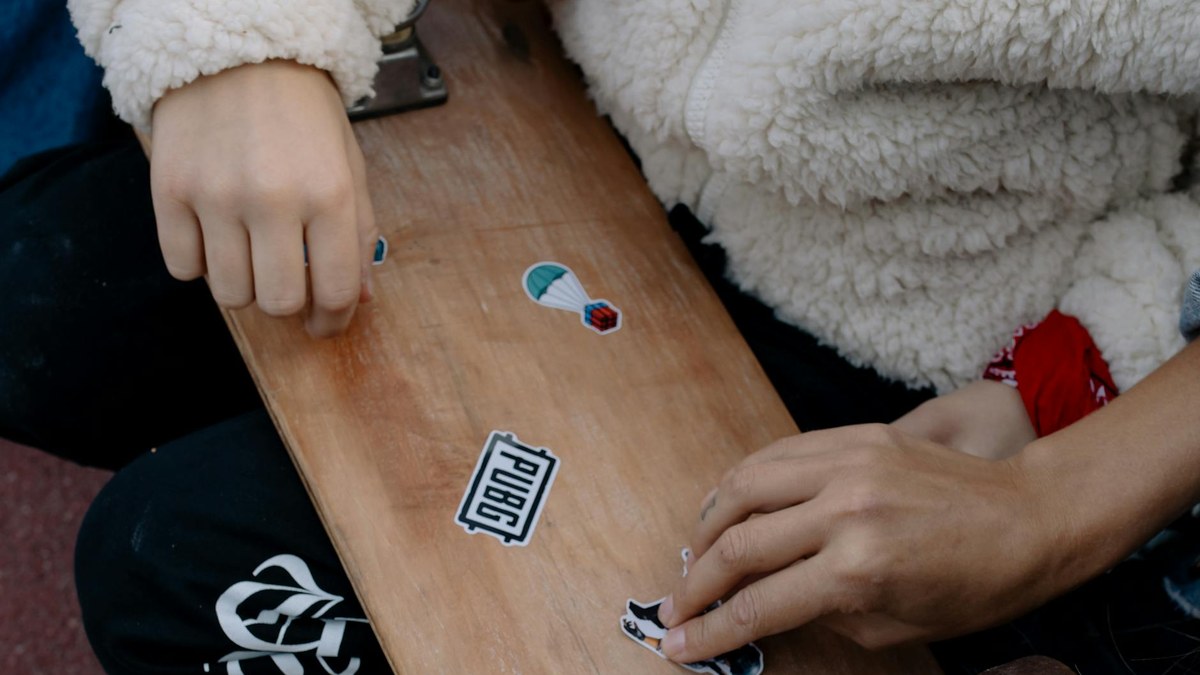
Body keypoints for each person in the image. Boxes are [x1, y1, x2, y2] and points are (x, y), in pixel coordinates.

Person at [2, 0, 1196, 672]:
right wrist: (244, 37)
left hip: (926, 324)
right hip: (557, 97)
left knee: (166, 558)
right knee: (33, 311)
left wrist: (1055, 484)